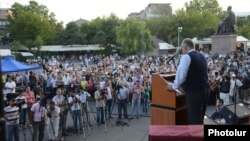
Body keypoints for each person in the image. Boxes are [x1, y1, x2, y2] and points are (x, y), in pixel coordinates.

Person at [168, 38, 210, 124]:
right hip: (206, 89)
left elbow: (181, 75)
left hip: (195, 92)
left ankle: (196, 137)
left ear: (185, 47)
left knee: (194, 120)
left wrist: (173, 86)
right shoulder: (201, 55)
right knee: (200, 118)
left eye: (182, 48)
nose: (181, 50)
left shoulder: (186, 57)